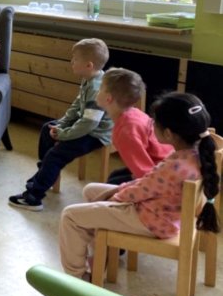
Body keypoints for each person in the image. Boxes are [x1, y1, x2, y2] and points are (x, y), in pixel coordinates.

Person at [58, 92, 220, 280]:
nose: (151, 125)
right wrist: (118, 190)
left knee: (70, 216)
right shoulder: (197, 153)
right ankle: (103, 257)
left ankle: (77, 276)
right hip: (161, 213)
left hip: (150, 220)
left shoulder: (174, 166)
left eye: (154, 122)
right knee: (91, 190)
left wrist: (115, 197)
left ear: (168, 133)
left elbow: (139, 191)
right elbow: (146, 184)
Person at [8, 38, 113, 211]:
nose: (71, 62)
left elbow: (88, 125)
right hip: (85, 125)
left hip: (96, 134)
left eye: (75, 59)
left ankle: (34, 197)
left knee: (56, 155)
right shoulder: (89, 78)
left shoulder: (97, 89)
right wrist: (62, 124)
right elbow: (76, 106)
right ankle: (45, 175)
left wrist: (64, 134)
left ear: (89, 65)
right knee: (47, 129)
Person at [94, 67, 173, 186]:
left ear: (108, 98)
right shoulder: (132, 113)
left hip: (162, 175)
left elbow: (145, 173)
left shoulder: (126, 132)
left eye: (100, 88)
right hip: (162, 164)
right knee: (115, 176)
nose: (97, 91)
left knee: (113, 184)